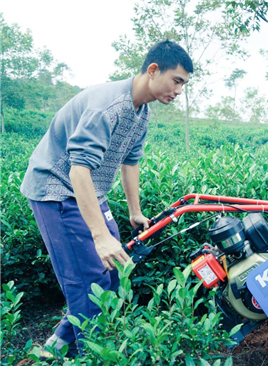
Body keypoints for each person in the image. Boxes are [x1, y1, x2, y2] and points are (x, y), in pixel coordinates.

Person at [20, 40, 193, 356]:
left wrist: (135, 211)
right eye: (177, 80)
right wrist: (99, 236)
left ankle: (56, 345)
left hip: (91, 192)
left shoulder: (140, 113)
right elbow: (77, 172)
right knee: (87, 282)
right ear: (153, 70)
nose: (179, 90)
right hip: (57, 191)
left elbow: (131, 161)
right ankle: (91, 355)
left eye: (183, 84)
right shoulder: (108, 106)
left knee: (113, 270)